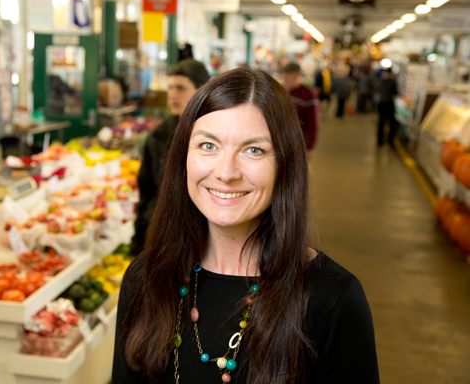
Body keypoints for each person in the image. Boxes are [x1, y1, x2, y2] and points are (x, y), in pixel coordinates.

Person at [113, 67, 379, 384]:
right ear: (183, 156)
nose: (226, 173)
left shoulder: (332, 300)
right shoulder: (145, 280)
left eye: (254, 150)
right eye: (208, 145)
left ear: (285, 163)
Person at [130, 59, 210, 257]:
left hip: (203, 240)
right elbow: (147, 193)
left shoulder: (215, 136)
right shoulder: (157, 137)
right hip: (162, 238)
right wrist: (138, 242)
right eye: (170, 87)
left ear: (200, 89)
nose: (173, 95)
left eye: (181, 88)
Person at [281, 62, 320, 160]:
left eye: (288, 75)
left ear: (297, 76)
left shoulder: (309, 94)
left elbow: (313, 122)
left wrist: (309, 147)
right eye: (283, 75)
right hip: (280, 141)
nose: (285, 78)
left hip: (298, 143)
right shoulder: (281, 91)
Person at [377, 68, 399, 146]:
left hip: (381, 103)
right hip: (389, 103)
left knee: (381, 122)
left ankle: (380, 140)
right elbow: (396, 93)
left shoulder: (382, 81)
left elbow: (379, 91)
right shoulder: (393, 82)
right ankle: (390, 140)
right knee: (391, 122)